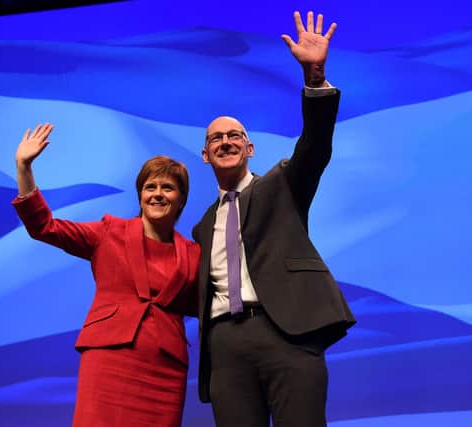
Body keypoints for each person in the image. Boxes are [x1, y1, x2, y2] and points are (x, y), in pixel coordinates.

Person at [192, 10, 356, 427]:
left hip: (286, 330)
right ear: (205, 155)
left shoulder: (282, 184)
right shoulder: (201, 226)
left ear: (249, 150)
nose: (226, 141)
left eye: (235, 137)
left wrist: (314, 79)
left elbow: (316, 147)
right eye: (216, 138)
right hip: (225, 343)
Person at [12, 123, 200, 427]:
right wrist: (24, 167)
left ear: (181, 199)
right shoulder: (109, 232)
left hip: (165, 371)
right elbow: (44, 227)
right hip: (109, 359)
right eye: (150, 187)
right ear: (140, 196)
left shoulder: (193, 254)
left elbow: (210, 304)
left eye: (168, 188)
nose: (157, 194)